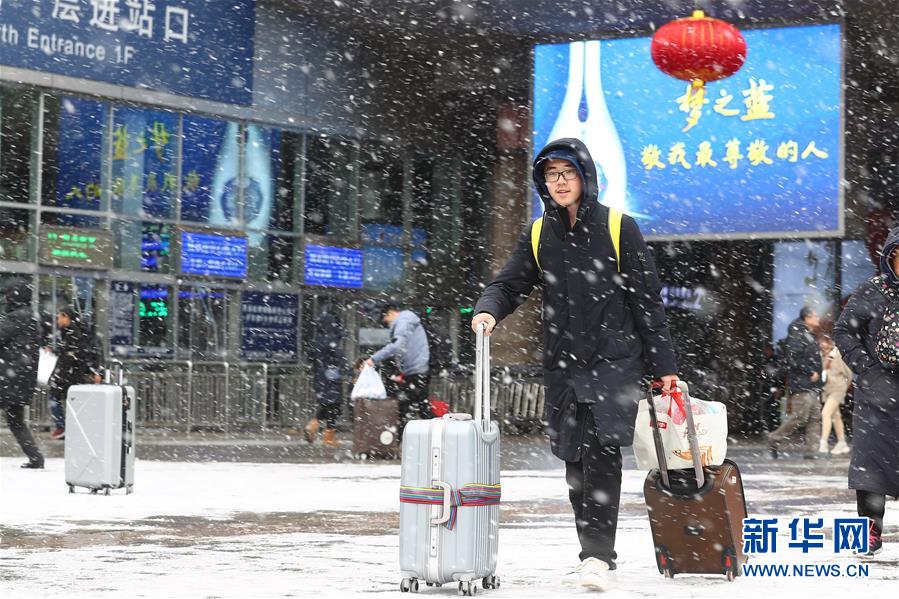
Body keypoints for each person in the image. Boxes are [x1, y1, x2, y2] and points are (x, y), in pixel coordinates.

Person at [471, 138, 679, 591]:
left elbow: (647, 303)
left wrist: (664, 365)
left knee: (601, 454)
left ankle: (597, 556)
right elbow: (508, 284)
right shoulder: (539, 233)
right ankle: (594, 551)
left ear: (585, 176)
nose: (560, 182)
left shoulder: (619, 227)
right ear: (543, 182)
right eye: (551, 175)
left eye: (568, 173)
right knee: (574, 462)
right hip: (563, 364)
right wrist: (488, 311)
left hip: (613, 362)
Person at [833, 226, 899, 556]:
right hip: (877, 395)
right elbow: (844, 332)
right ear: (891, 258)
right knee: (871, 467)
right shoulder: (872, 290)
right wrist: (867, 367)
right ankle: (869, 531)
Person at [767, 307, 823, 459]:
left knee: (814, 418)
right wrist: (810, 372)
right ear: (807, 318)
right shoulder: (798, 334)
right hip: (801, 384)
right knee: (800, 417)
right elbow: (792, 359)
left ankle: (811, 451)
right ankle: (774, 438)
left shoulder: (808, 334)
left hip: (812, 386)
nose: (818, 318)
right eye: (815, 316)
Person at [365, 302, 430, 433]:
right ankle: (439, 436)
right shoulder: (407, 321)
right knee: (417, 408)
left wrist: (374, 358)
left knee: (406, 409)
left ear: (390, 313)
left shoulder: (403, 322)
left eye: (385, 319)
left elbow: (397, 346)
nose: (386, 323)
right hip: (417, 370)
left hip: (415, 372)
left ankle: (398, 442)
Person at [0, 279, 44, 469]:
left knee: (15, 420)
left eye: (7, 293)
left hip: (7, 378)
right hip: (23, 379)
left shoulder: (14, 318)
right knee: (16, 420)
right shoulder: (33, 319)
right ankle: (35, 457)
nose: (5, 297)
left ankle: (36, 457)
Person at [46, 307, 102, 440]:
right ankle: (70, 428)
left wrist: (59, 376)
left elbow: (76, 355)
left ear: (66, 317)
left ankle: (63, 427)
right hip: (70, 375)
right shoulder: (71, 332)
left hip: (70, 375)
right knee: (71, 401)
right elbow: (71, 353)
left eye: (59, 317)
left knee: (55, 398)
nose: (57, 320)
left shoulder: (74, 333)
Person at [305, 307, 347, 448]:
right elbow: (339, 357)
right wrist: (349, 372)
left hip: (319, 377)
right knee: (335, 407)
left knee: (326, 404)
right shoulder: (332, 339)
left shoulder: (316, 340)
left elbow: (310, 357)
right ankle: (328, 437)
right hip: (331, 377)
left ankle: (313, 425)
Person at [818, 335, 851, 455]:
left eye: (824, 342)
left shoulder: (837, 355)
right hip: (827, 390)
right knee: (836, 416)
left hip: (838, 389)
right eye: (820, 342)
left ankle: (823, 443)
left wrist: (844, 386)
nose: (822, 344)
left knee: (825, 413)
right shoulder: (821, 356)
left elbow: (848, 373)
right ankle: (842, 443)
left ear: (829, 342)